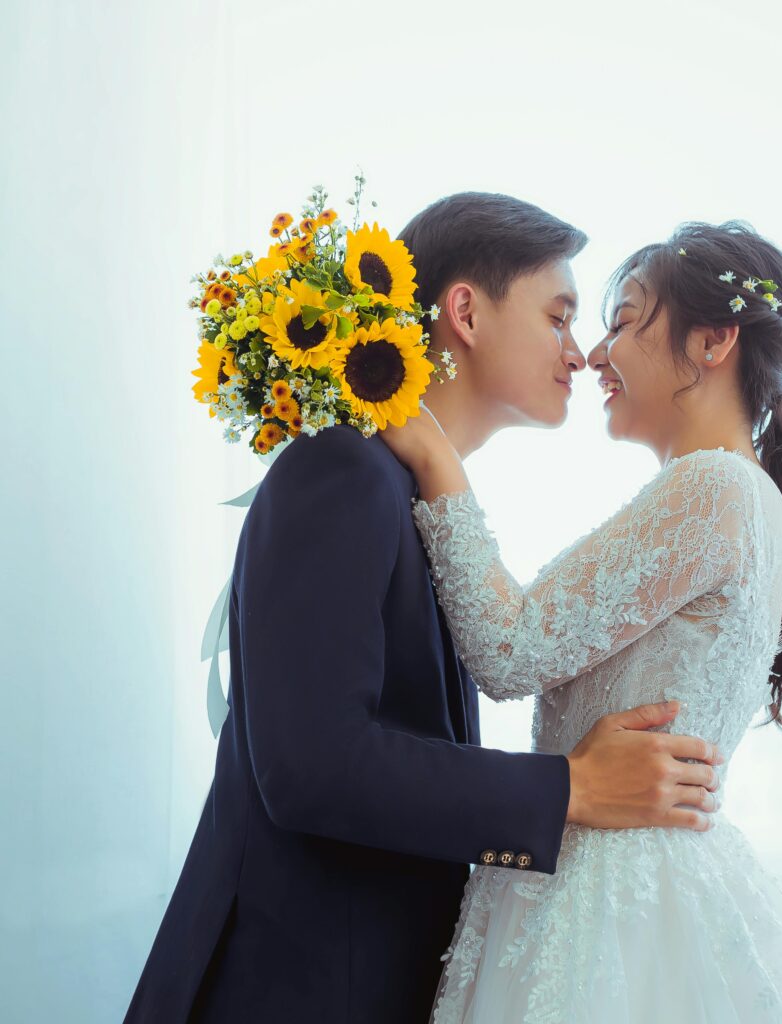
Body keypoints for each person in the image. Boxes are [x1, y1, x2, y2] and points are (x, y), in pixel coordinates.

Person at [123, 194, 723, 1024]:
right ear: (466, 312)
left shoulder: (410, 498)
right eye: (558, 316)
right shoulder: (339, 469)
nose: (580, 353)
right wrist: (568, 790)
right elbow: (312, 766)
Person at [380, 220, 782, 1021]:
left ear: (713, 341)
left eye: (620, 320)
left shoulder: (715, 489)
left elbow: (510, 651)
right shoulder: (741, 494)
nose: (591, 353)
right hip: (628, 880)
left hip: (605, 899)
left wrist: (437, 459)